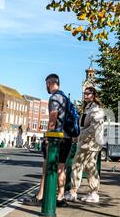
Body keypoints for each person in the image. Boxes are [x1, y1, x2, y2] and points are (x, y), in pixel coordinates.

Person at [23, 74, 72, 207]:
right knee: (61, 168)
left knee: (47, 166)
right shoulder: (65, 98)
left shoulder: (54, 97)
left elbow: (53, 117)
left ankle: (40, 196)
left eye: (46, 84)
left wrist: (47, 137)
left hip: (56, 139)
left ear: (50, 83)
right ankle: (60, 198)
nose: (46, 87)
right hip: (68, 138)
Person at [64, 87, 104, 203]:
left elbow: (94, 128)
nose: (85, 95)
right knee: (90, 167)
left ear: (94, 95)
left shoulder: (96, 109)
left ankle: (73, 192)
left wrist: (81, 135)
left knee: (77, 165)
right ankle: (94, 193)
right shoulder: (88, 108)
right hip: (87, 142)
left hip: (89, 143)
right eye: (84, 93)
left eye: (88, 93)